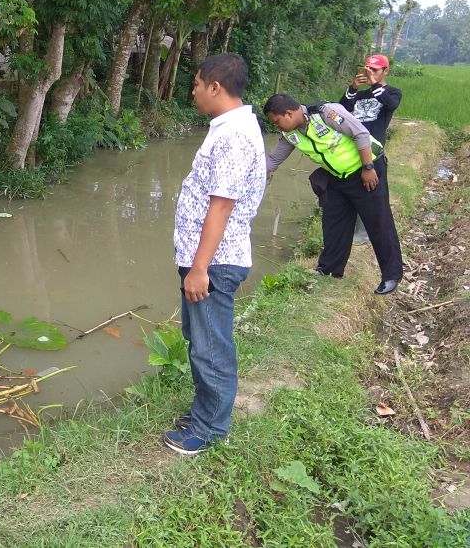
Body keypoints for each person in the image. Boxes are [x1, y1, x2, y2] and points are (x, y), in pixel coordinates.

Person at [163, 53, 266, 456]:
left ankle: (210, 428)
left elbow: (221, 206)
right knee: (199, 338)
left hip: (214, 262)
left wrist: (200, 268)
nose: (192, 92)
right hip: (205, 257)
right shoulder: (229, 127)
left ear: (215, 88)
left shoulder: (233, 136)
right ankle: (204, 411)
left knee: (211, 346)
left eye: (195, 84)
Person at [263, 94, 402, 296]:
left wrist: (368, 167)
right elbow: (274, 159)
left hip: (366, 170)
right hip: (337, 176)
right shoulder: (290, 134)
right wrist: (254, 176)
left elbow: (361, 134)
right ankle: (329, 269)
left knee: (378, 222)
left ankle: (391, 275)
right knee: (333, 221)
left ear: (290, 113)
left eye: (277, 121)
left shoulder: (326, 113)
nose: (278, 127)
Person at [339, 54, 402, 145]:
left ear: (385, 71)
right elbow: (342, 110)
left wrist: (374, 83)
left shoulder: (393, 92)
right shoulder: (359, 95)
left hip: (373, 147)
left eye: (374, 70)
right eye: (368, 69)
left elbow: (391, 104)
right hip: (352, 144)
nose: (370, 73)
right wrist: (353, 88)